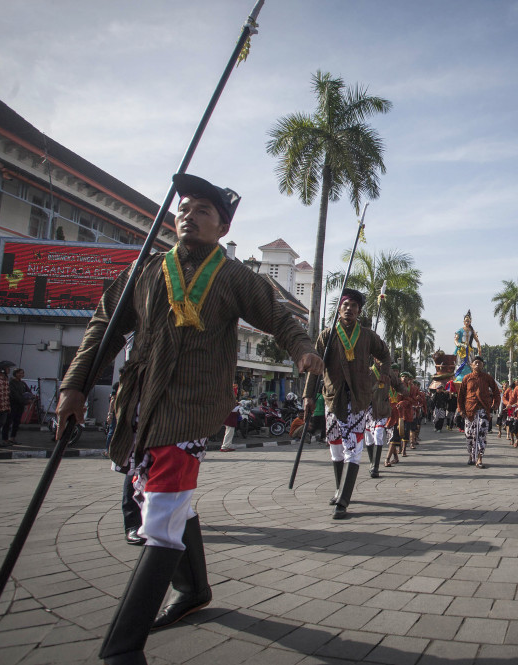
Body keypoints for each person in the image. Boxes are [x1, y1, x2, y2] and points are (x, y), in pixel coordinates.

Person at [56, 174, 323, 664]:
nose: (188, 214)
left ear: (222, 227)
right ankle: (195, 589)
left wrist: (304, 348)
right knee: (168, 504)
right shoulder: (148, 270)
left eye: (203, 209)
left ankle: (122, 645)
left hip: (192, 408)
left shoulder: (235, 276)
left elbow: (280, 317)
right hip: (140, 407)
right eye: (184, 206)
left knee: (160, 519)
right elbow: (104, 326)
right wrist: (74, 386)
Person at [304, 287, 392, 519]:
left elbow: (385, 354)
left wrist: (383, 371)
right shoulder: (327, 335)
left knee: (353, 448)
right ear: (339, 308)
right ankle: (338, 488)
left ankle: (343, 500)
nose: (349, 309)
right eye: (346, 305)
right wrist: (308, 396)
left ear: (359, 311)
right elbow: (314, 367)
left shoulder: (367, 336)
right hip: (333, 398)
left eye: (354, 306)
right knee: (335, 447)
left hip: (358, 399)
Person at [457, 356, 500, 468]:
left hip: (483, 411)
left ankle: (480, 458)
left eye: (480, 363)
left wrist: (495, 404)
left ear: (483, 365)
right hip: (469, 411)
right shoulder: (467, 378)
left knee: (481, 434)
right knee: (469, 435)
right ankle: (471, 456)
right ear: (471, 365)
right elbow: (461, 395)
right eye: (475, 363)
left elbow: (496, 391)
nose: (477, 365)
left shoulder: (487, 378)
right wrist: (461, 409)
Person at [453, 310, 482, 380]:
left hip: (469, 349)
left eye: (468, 321)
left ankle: (470, 375)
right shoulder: (460, 331)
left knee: (471, 363)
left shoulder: (472, 331)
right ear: (463, 322)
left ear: (470, 322)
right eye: (465, 321)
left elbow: (477, 341)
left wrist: (479, 349)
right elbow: (455, 340)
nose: (467, 322)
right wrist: (459, 345)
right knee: (460, 363)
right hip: (461, 349)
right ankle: (460, 375)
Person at [5, 367, 30, 444]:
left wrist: (30, 398)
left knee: (17, 422)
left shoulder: (23, 383)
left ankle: (12, 438)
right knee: (8, 422)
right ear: (15, 374)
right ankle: (5, 439)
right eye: (19, 373)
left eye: (22, 373)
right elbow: (14, 395)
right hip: (12, 404)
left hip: (20, 405)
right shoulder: (11, 382)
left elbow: (29, 392)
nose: (21, 374)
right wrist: (24, 401)